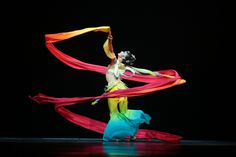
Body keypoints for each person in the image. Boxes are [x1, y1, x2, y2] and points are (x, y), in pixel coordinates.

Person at [30, 26, 185, 143]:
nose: (121, 52)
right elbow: (146, 71)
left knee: (115, 114)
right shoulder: (122, 66)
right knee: (122, 112)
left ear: (124, 58)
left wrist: (110, 40)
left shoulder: (115, 63)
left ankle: (114, 136)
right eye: (122, 51)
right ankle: (127, 135)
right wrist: (163, 75)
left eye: (123, 52)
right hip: (121, 89)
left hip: (116, 90)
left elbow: (112, 52)